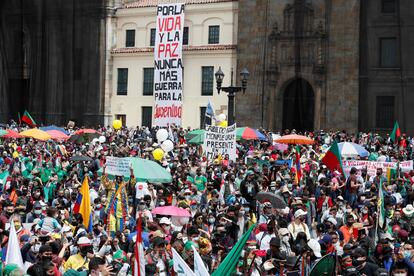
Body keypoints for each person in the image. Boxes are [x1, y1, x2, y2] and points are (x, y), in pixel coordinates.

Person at [101, 165, 136, 233]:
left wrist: (131, 171)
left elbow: (132, 183)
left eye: (120, 177)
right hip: (111, 210)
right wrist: (104, 169)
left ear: (123, 177)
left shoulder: (125, 185)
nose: (119, 178)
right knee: (111, 228)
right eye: (117, 177)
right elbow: (104, 182)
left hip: (121, 211)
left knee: (119, 229)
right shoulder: (111, 184)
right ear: (115, 177)